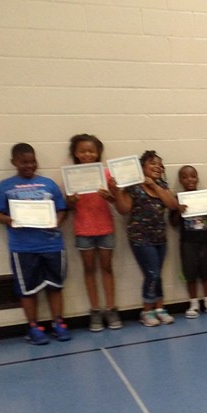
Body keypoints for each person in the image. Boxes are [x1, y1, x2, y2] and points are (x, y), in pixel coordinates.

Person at [0, 143, 71, 344]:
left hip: (52, 245)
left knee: (55, 286)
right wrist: (11, 221)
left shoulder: (48, 184)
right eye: (24, 162)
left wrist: (57, 222)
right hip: (23, 248)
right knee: (27, 290)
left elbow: (62, 209)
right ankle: (34, 327)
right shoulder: (4, 186)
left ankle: (58, 323)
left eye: (32, 161)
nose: (29, 165)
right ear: (14, 162)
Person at [112, 150, 178, 327]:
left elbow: (172, 205)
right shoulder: (134, 187)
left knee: (158, 274)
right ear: (142, 167)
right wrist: (118, 191)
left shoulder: (162, 185)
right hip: (140, 238)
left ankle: (159, 308)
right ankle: (146, 311)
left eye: (159, 164)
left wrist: (154, 185)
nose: (157, 166)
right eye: (152, 163)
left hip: (160, 238)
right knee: (152, 273)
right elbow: (123, 209)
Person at [66, 134, 121, 331]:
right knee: (89, 270)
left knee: (107, 268)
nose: (87, 154)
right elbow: (69, 206)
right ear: (75, 153)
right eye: (82, 151)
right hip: (83, 229)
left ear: (98, 153)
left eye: (91, 150)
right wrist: (70, 201)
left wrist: (111, 195)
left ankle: (111, 309)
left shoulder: (106, 175)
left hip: (105, 227)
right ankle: (95, 311)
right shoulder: (71, 175)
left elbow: (116, 201)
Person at [170, 165, 207, 318]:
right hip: (187, 241)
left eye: (193, 176)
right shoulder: (176, 199)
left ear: (197, 178)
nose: (189, 180)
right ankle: (193, 304)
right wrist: (178, 212)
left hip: (206, 239)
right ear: (180, 180)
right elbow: (172, 223)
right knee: (190, 273)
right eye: (185, 177)